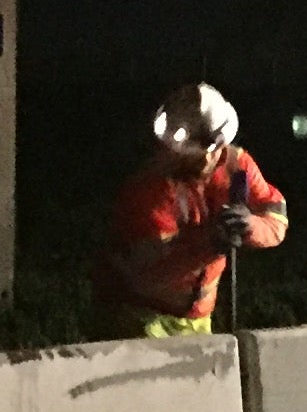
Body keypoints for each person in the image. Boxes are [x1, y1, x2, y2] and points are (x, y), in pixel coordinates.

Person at [93, 81, 289, 337]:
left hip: (197, 318)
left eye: (212, 150)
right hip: (141, 316)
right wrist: (210, 244)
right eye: (194, 153)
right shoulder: (150, 189)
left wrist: (251, 225)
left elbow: (276, 217)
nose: (206, 160)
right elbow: (148, 274)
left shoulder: (237, 166)